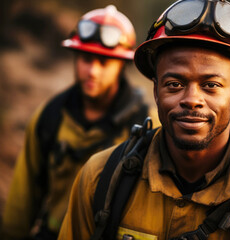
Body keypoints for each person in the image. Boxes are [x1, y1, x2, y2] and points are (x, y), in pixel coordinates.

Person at [58, 1, 230, 239]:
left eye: (211, 85)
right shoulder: (101, 180)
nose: (191, 98)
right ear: (155, 90)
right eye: (173, 84)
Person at [1, 5, 157, 240]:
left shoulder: (146, 123)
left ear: (121, 66)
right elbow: (21, 202)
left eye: (104, 62)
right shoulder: (50, 117)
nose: (92, 71)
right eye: (86, 59)